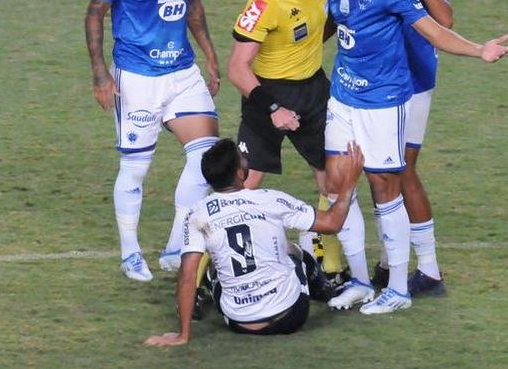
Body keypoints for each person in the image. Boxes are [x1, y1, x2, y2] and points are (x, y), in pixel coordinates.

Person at [315, 0, 508, 315]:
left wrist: (478, 50)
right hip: (342, 97)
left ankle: (399, 288)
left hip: (384, 102)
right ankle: (359, 281)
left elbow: (433, 29)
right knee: (338, 185)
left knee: (384, 188)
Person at [84, 0, 221, 282]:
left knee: (205, 156)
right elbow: (95, 13)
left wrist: (210, 55)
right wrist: (100, 74)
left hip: (181, 73)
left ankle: (176, 245)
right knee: (136, 167)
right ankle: (130, 253)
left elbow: (192, 2)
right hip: (138, 78)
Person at [144, 140, 365, 346]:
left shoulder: (197, 214)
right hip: (290, 316)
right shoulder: (271, 199)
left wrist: (183, 335)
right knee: (297, 253)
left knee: (212, 272)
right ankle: (325, 289)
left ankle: (202, 303)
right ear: (240, 173)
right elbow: (332, 223)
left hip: (238, 322)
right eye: (242, 157)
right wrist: (349, 182)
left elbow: (187, 274)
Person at [226, 0, 346, 288]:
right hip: (267, 93)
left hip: (313, 89)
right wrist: (273, 108)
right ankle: (224, 271)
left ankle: (329, 265)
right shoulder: (264, 2)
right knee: (243, 188)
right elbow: (237, 68)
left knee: (332, 179)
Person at [367, 0, 452, 297]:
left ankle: (430, 271)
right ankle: (389, 262)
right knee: (382, 170)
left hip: (413, 80)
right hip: (384, 80)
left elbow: (445, 20)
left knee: (401, 170)